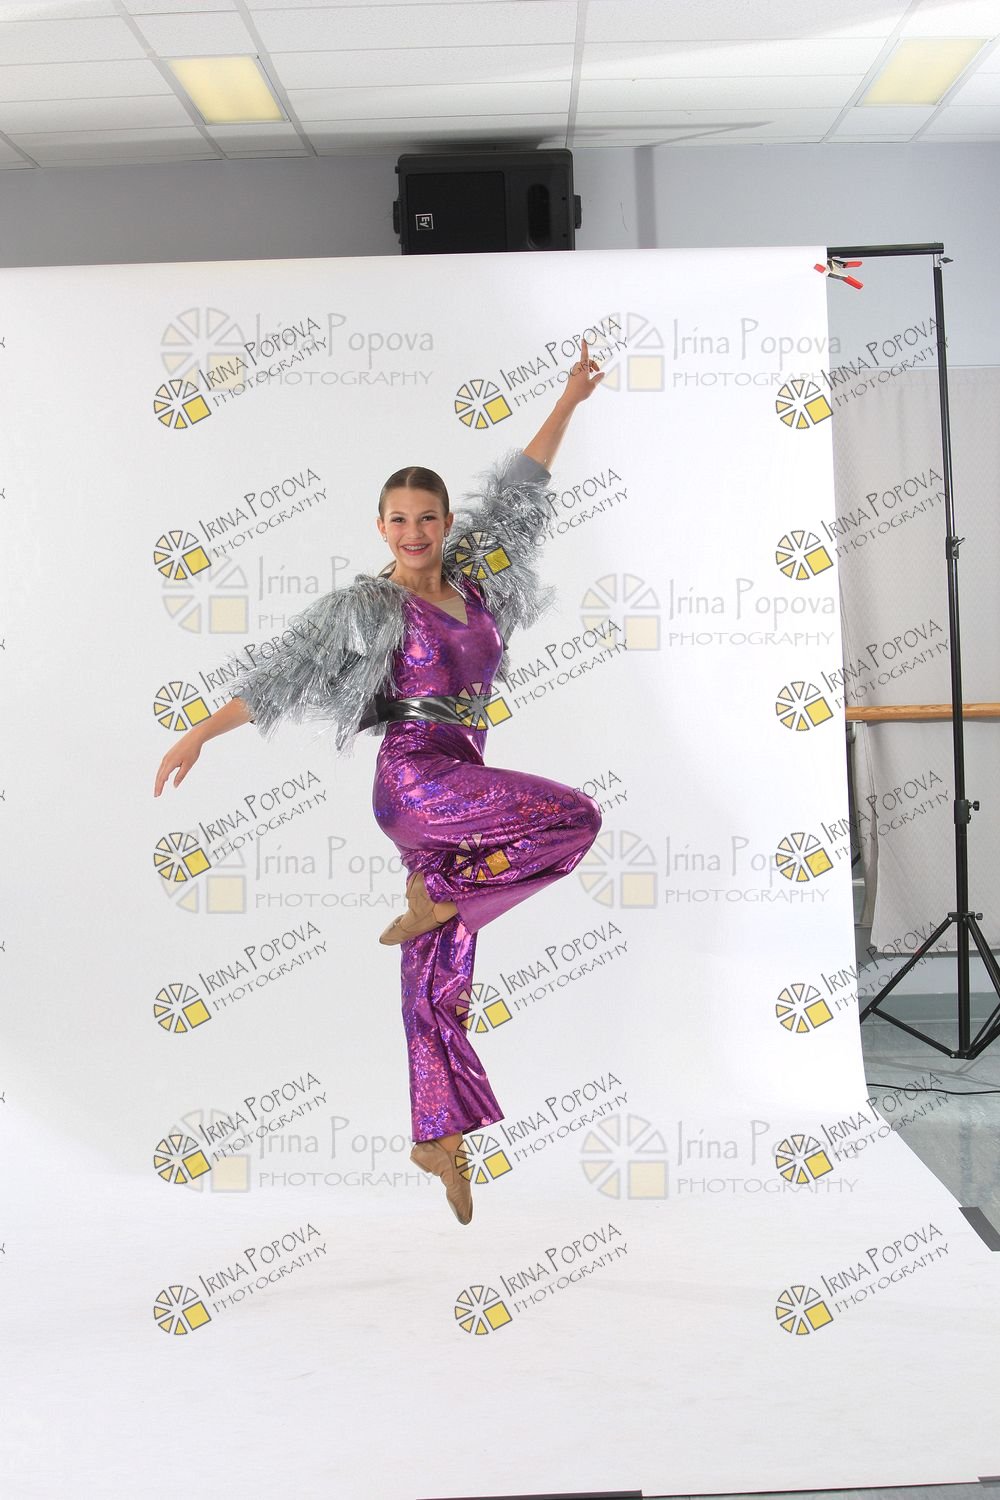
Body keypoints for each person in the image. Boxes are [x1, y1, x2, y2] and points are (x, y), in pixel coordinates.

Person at [154, 339, 605, 1225]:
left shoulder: (479, 583)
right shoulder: (370, 606)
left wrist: (568, 400)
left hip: (462, 780)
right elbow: (284, 673)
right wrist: (202, 730)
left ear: (447, 522)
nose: (414, 532)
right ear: (381, 528)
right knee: (575, 818)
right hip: (415, 782)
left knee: (439, 972)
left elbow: (519, 493)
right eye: (398, 520)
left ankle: (439, 1134)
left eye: (427, 517)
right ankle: (446, 897)